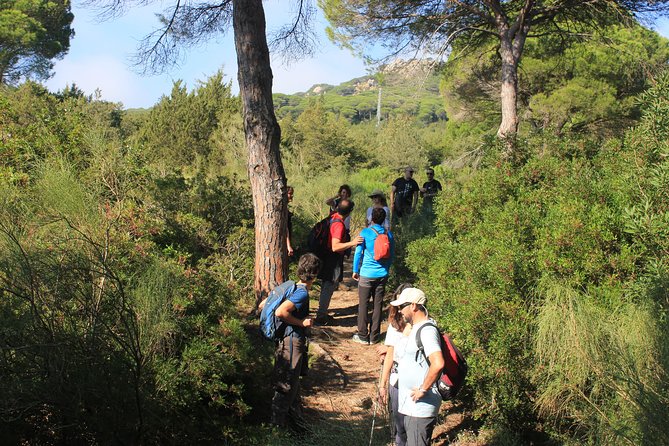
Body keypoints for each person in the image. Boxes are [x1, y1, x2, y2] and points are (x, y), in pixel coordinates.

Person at [270, 253, 322, 430]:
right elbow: (280, 312)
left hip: (286, 342)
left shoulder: (290, 287)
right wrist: (302, 322)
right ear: (314, 274)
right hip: (292, 343)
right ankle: (277, 429)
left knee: (290, 385)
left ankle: (293, 426)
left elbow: (264, 305)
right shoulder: (301, 293)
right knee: (286, 385)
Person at [391, 288, 445, 446]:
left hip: (421, 408)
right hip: (412, 407)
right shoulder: (415, 328)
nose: (399, 310)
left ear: (413, 306)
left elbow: (438, 363)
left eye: (402, 306)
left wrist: (423, 389)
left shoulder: (427, 330)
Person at [315, 199, 363, 325]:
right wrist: (352, 243)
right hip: (332, 258)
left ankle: (322, 312)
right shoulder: (339, 224)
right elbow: (335, 246)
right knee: (329, 285)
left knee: (327, 284)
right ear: (349, 212)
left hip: (327, 256)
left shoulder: (333, 216)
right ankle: (321, 315)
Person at [351, 207, 395, 344]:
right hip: (382, 275)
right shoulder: (389, 234)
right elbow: (391, 255)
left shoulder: (365, 233)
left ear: (372, 218)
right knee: (378, 305)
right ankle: (374, 337)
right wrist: (386, 269)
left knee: (363, 305)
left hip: (366, 274)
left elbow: (358, 253)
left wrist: (355, 270)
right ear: (383, 219)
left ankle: (363, 336)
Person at [378, 283, 414, 446]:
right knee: (399, 422)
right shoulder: (395, 324)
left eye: (403, 305)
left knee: (409, 424)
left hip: (410, 381)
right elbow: (390, 355)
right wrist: (382, 385)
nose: (400, 310)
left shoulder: (422, 325)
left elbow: (391, 353)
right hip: (397, 379)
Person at [286, 186, 295, 257]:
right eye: (290, 193)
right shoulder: (283, 210)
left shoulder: (285, 208)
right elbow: (285, 229)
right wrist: (288, 245)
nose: (291, 196)